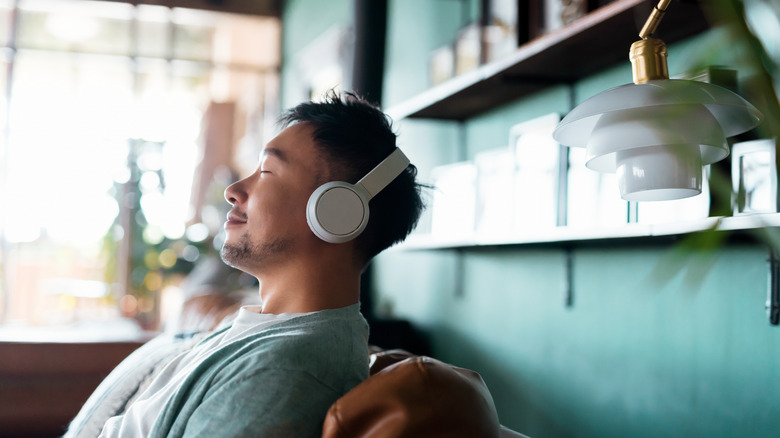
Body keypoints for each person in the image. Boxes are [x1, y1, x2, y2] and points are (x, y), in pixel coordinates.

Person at [96, 92, 425, 437]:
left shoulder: (287, 368)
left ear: (337, 211)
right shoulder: (261, 328)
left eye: (267, 171)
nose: (233, 191)